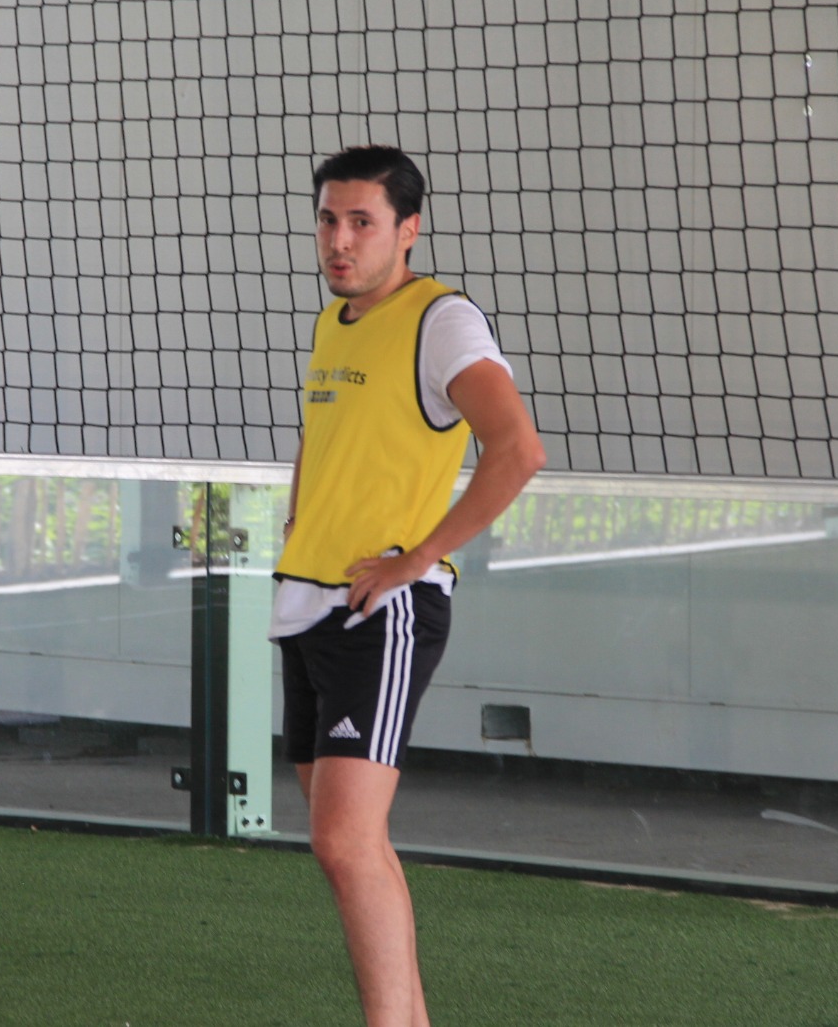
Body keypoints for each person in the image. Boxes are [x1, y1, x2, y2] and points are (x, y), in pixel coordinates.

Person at [272, 146, 545, 1026]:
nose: (339, 240)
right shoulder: (336, 320)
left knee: (344, 841)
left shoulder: (443, 319)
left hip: (379, 610)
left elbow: (518, 450)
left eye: (362, 222)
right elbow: (323, 440)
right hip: (309, 601)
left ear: (408, 230)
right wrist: (299, 521)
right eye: (328, 219)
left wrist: (417, 558)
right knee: (348, 845)